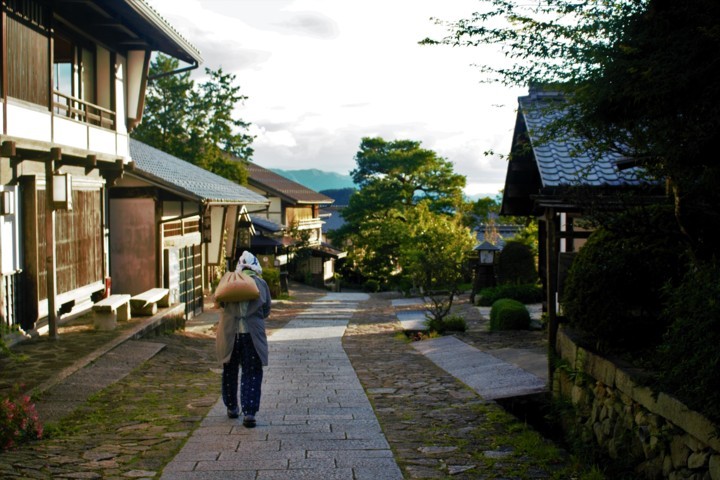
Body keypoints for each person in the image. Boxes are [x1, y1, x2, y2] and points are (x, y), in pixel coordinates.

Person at [216, 251, 271, 428]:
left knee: (229, 370)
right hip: (252, 335)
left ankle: (232, 407)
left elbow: (219, 303)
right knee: (252, 372)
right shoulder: (261, 283)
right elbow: (266, 310)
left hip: (230, 333)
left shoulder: (229, 282)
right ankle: (249, 413)